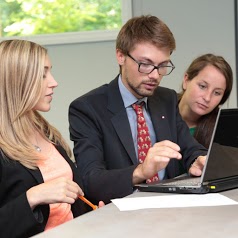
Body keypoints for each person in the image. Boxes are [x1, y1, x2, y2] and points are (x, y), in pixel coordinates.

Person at [69, 15, 207, 205]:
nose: (155, 75)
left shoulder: (166, 98)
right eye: (146, 64)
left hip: (172, 208)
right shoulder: (88, 109)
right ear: (121, 56)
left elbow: (189, 148)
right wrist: (142, 171)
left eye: (162, 66)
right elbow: (91, 180)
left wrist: (199, 160)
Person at [0, 39, 103, 238]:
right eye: (42, 74)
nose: (54, 82)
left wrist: (92, 214)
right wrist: (33, 196)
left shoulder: (45, 131)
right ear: (16, 81)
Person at [178, 53, 233, 148]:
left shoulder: (221, 133)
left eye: (217, 93)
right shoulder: (157, 110)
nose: (207, 98)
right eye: (202, 86)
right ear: (186, 80)